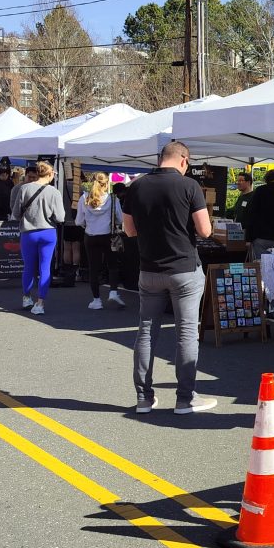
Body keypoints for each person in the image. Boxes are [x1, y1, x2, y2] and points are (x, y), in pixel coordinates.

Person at [122, 141, 216, 415]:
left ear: (161, 158)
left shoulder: (137, 186)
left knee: (146, 332)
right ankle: (185, 398)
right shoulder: (189, 187)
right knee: (186, 333)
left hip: (149, 269)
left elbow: (129, 231)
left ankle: (144, 397)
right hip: (184, 269)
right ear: (184, 160)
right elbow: (205, 230)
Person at [11, 161, 64, 315]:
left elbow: (15, 214)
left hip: (29, 232)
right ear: (49, 174)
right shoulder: (54, 192)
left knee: (28, 267)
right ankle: (40, 303)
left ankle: (26, 297)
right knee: (45, 267)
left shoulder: (24, 188)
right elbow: (60, 217)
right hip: (48, 233)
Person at [75, 172, 125, 310]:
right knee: (112, 264)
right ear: (107, 183)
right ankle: (113, 291)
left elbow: (78, 221)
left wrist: (87, 224)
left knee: (93, 268)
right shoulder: (113, 199)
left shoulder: (84, 198)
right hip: (108, 235)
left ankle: (96, 300)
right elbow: (120, 219)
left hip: (90, 236)